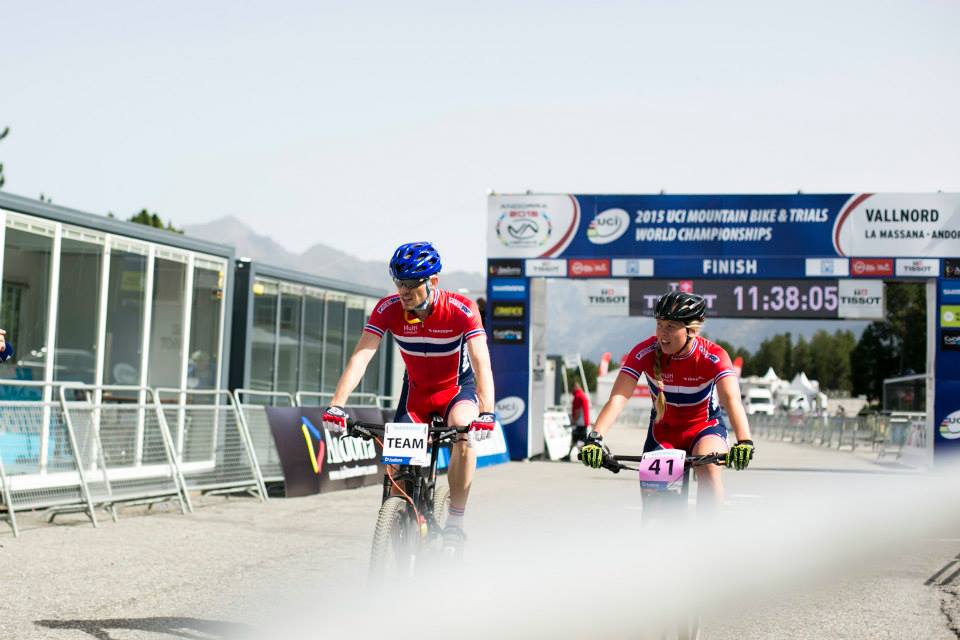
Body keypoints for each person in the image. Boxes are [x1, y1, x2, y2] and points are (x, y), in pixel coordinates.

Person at [322, 241, 495, 553]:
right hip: (416, 393)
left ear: (433, 281)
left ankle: (455, 521)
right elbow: (361, 357)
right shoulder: (387, 309)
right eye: (399, 282)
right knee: (398, 469)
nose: (404, 291)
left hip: (456, 390)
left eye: (412, 283)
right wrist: (337, 404)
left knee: (464, 434)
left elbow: (482, 363)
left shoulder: (461, 309)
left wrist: (487, 412)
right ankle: (399, 518)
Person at [580, 291, 754, 512]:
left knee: (709, 469)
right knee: (656, 500)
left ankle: (711, 531)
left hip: (705, 428)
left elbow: (731, 400)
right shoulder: (644, 352)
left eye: (670, 326)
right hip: (663, 432)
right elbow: (618, 398)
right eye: (659, 325)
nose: (662, 333)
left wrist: (744, 441)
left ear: (691, 330)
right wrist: (595, 438)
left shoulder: (713, 355)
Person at [569, 380, 591, 457]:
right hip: (584, 422)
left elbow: (578, 411)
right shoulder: (583, 395)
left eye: (572, 388)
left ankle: (584, 455)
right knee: (578, 439)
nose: (571, 391)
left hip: (580, 422)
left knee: (578, 439)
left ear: (574, 388)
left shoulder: (578, 396)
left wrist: (574, 421)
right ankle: (570, 454)